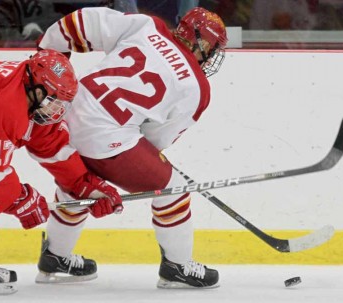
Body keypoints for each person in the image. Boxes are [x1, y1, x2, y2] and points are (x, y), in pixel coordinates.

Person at [37, 6, 228, 288]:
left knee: (78, 185)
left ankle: (55, 257)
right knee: (174, 190)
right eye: (212, 49)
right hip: (103, 138)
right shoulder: (197, 88)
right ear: (201, 44)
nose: (211, 57)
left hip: (64, 114)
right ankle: (177, 268)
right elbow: (154, 140)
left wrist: (50, 54)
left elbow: (81, 22)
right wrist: (139, 164)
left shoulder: (148, 26)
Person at [0, 49, 123, 295]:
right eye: (53, 99)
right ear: (36, 88)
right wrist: (21, 200)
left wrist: (85, 184)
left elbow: (51, 145)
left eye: (61, 102)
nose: (57, 109)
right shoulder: (6, 103)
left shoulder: (31, 96)